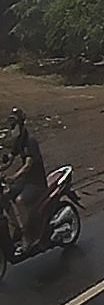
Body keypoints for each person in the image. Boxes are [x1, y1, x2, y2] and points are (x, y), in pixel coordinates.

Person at [1, 108, 47, 255]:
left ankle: (28, 236)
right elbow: (10, 159)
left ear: (20, 123)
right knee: (5, 196)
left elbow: (28, 165)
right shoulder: (18, 141)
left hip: (36, 182)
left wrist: (14, 177)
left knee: (20, 201)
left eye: (13, 124)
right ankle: (17, 228)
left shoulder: (30, 141)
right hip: (25, 181)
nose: (11, 128)